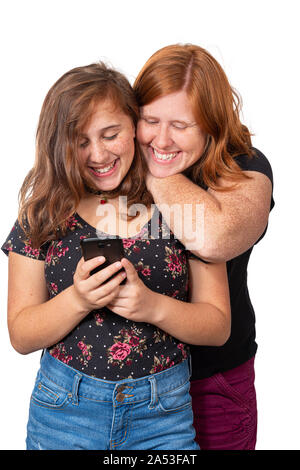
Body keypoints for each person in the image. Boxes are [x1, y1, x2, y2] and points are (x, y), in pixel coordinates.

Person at [1, 62, 231, 450]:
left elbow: (218, 324)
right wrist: (78, 299)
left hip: (163, 415)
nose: (98, 153)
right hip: (64, 413)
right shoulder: (43, 213)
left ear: (135, 126)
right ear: (58, 144)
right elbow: (21, 335)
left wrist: (151, 306)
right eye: (80, 140)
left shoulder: (179, 206)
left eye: (111, 134)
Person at [133, 43, 275, 450]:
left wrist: (153, 164)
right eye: (149, 120)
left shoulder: (245, 167)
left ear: (211, 124)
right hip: (127, 385)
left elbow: (211, 238)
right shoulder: (116, 163)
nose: (162, 137)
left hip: (211, 383)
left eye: (180, 125)